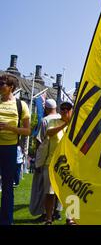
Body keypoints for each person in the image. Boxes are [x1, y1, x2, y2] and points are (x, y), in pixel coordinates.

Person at [0, 74, 31, 225]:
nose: (0, 86)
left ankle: (6, 221)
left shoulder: (21, 105)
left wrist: (9, 128)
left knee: (7, 187)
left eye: (2, 84)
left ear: (10, 87)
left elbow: (27, 131)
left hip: (10, 149)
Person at [37, 100, 73, 225]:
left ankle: (71, 218)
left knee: (72, 192)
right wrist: (64, 125)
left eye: (67, 109)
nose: (64, 111)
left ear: (72, 111)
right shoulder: (53, 121)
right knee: (50, 192)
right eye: (62, 109)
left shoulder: (76, 124)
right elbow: (49, 133)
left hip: (70, 164)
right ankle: (48, 219)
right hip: (52, 163)